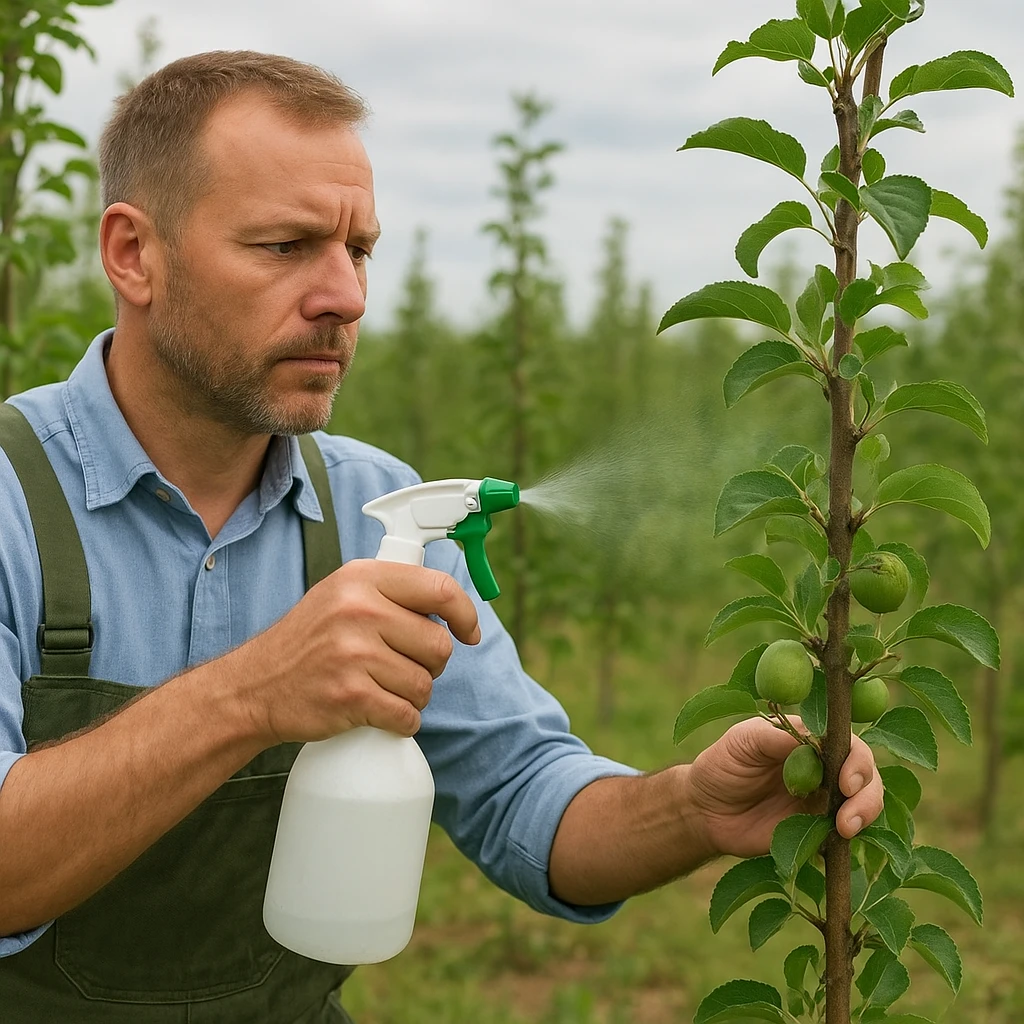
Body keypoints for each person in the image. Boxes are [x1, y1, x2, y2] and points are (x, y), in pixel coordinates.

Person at [0, 51, 883, 1023]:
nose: (345, 296)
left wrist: (692, 810)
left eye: (360, 249)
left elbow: (523, 797)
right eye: (286, 245)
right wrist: (256, 692)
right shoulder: (13, 500)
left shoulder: (380, 509)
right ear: (133, 254)